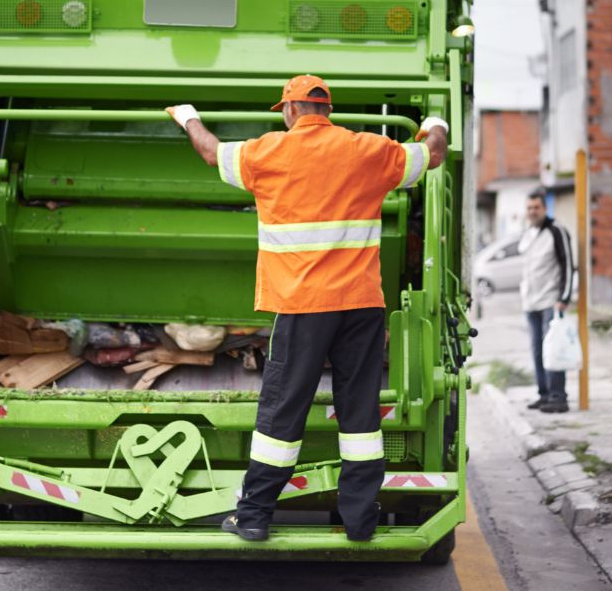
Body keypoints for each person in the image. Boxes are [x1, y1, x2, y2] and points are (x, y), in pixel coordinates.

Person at [165, 75, 448, 543]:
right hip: (361, 305)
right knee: (360, 416)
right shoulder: (369, 150)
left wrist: (187, 116)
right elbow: (432, 154)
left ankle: (254, 515)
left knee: (283, 411)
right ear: (326, 110)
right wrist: (434, 119)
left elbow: (212, 152)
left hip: (302, 306)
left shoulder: (268, 152)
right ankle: (359, 521)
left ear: (290, 111)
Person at [518, 189, 575, 414]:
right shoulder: (529, 233)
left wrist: (564, 298)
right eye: (529, 208)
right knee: (537, 350)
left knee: (553, 350)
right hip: (530, 303)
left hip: (551, 301)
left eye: (536, 207)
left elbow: (568, 265)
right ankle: (544, 394)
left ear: (545, 208)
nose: (532, 212)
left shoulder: (557, 230)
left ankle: (558, 397)